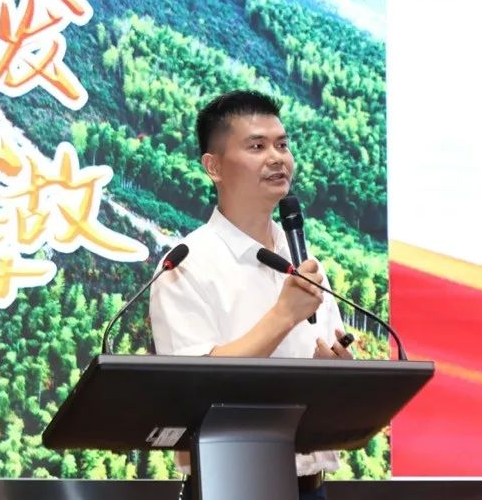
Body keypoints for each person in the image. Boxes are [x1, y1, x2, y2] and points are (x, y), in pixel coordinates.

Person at [149, 90, 352, 500]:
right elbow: (196, 392)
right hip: (229, 488)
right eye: (257, 146)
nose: (277, 158)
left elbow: (325, 383)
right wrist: (283, 316)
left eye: (282, 145)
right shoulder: (185, 264)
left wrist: (335, 373)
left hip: (312, 488)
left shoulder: (305, 260)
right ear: (214, 166)